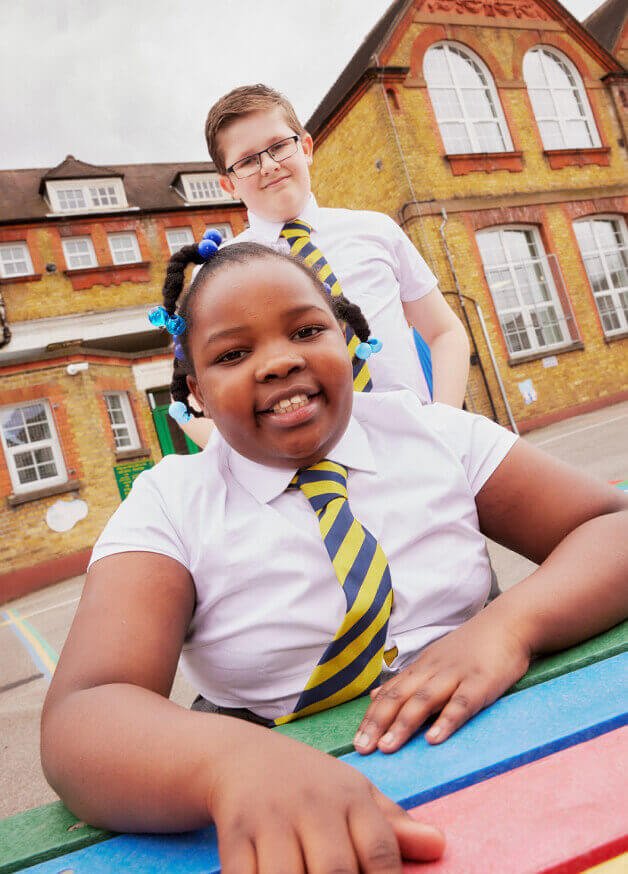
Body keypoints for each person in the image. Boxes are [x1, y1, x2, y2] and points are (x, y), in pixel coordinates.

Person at [41, 243, 628, 873]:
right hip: (291, 785)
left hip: (505, 743)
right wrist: (232, 763)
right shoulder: (172, 504)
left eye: (306, 330)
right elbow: (85, 713)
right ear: (197, 393)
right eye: (233, 354)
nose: (280, 361)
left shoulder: (431, 433)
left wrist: (511, 626)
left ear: (346, 339)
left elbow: (610, 526)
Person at [179, 83, 470, 450]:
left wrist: (445, 425)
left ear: (306, 147)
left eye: (279, 146)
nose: (269, 165)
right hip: (314, 468)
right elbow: (193, 397)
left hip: (415, 442)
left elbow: (444, 332)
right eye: (248, 160)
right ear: (228, 184)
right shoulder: (219, 275)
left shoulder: (376, 230)